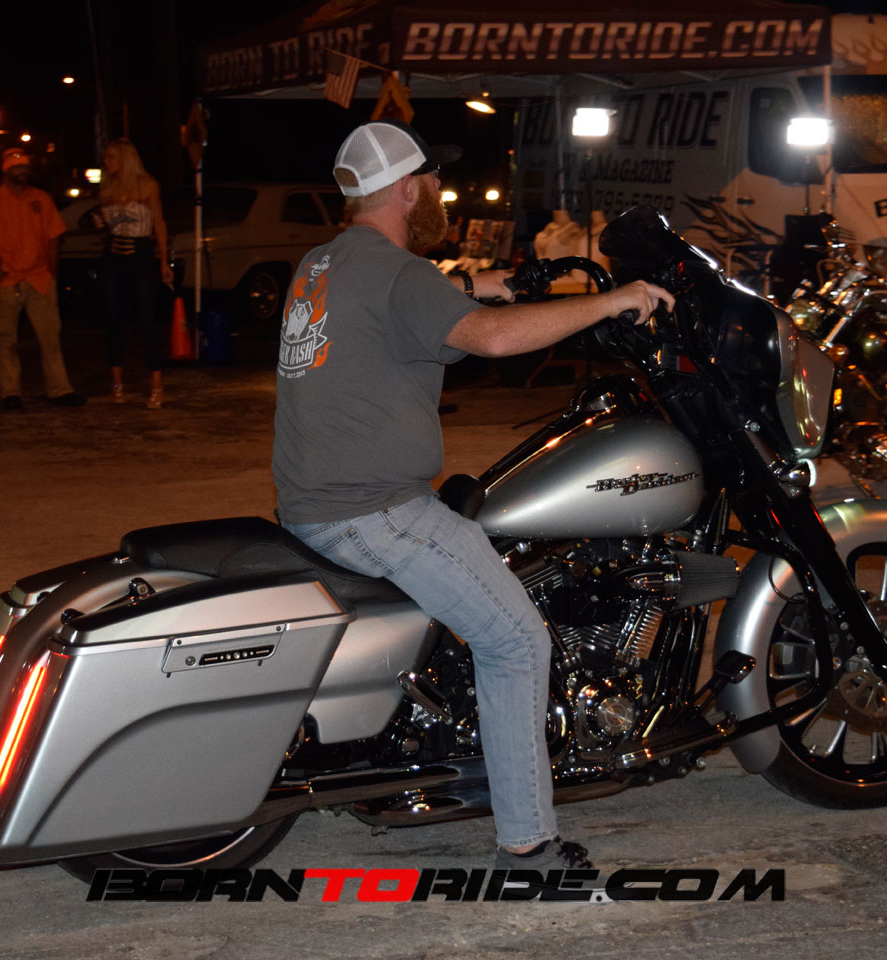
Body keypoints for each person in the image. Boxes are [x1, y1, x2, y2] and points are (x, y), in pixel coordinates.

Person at [271, 120, 674, 872]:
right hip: (375, 511)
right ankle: (528, 842)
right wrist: (609, 302)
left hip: (313, 503)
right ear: (406, 188)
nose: (439, 189)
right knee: (517, 641)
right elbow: (489, 338)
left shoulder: (323, 263)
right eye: (432, 178)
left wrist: (500, 283)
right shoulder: (401, 275)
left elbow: (413, 301)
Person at [0, 147, 85, 409]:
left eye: (25, 166)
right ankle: (10, 393)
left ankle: (60, 390)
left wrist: (51, 271)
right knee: (7, 339)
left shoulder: (41, 199)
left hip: (39, 278)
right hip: (9, 279)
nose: (23, 171)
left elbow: (54, 236)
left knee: (50, 338)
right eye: (17, 166)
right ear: (6, 170)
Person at [95, 138, 173, 409]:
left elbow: (159, 222)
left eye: (112, 156)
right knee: (113, 318)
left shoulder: (147, 185)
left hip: (140, 254)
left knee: (147, 319)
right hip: (113, 254)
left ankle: (157, 385)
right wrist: (100, 224)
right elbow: (105, 226)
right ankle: (117, 384)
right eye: (106, 156)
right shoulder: (106, 188)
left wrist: (164, 261)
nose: (107, 161)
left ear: (125, 159)